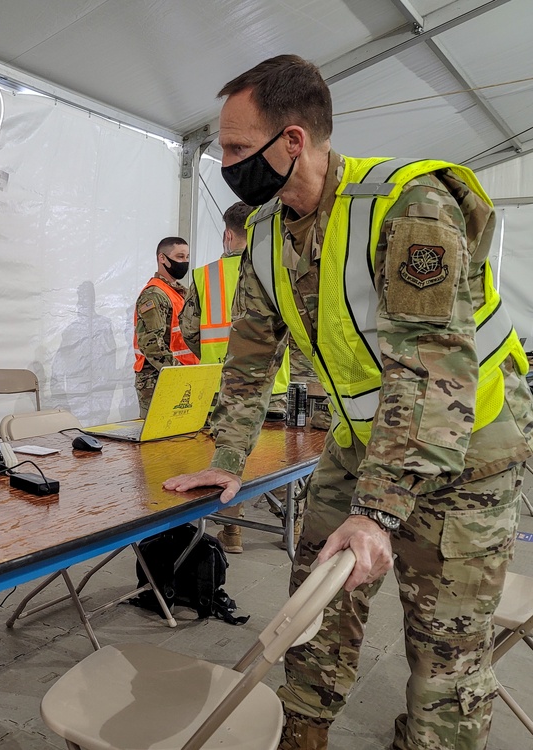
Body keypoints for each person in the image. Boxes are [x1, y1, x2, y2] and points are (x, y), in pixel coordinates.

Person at [163, 55, 533, 750]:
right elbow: (248, 358)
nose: (225, 163)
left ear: (293, 140)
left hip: (469, 456)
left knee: (443, 663)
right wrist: (228, 458)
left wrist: (376, 514)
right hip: (364, 446)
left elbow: (430, 370)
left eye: (238, 148)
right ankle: (302, 735)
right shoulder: (269, 233)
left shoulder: (408, 205)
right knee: (312, 611)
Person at [181, 201, 291, 553]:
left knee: (229, 458)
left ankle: (232, 532)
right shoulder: (278, 269)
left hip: (221, 388)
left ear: (228, 234)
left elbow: (189, 330)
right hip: (277, 387)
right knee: (288, 461)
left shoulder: (204, 275)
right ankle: (294, 522)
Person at [132, 236, 200, 417]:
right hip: (158, 380)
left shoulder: (179, 292)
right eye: (179, 257)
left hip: (179, 376)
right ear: (162, 258)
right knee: (158, 439)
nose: (184, 262)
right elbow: (151, 344)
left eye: (187, 257)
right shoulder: (154, 295)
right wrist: (179, 373)